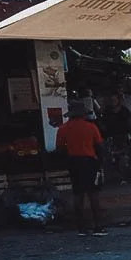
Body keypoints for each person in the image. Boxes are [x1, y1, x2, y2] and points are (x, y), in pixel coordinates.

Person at [56, 101, 107, 236]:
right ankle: (98, 227)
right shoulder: (91, 127)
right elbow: (100, 147)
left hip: (74, 162)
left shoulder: (63, 129)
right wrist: (100, 163)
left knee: (78, 195)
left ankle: (81, 228)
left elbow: (60, 149)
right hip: (90, 162)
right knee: (93, 195)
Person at [101, 92, 131, 179]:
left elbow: (130, 124)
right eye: (111, 100)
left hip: (124, 137)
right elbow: (103, 125)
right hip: (111, 138)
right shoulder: (107, 112)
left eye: (115, 100)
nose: (113, 102)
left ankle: (129, 173)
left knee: (127, 156)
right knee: (112, 158)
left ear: (118, 100)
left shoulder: (125, 111)